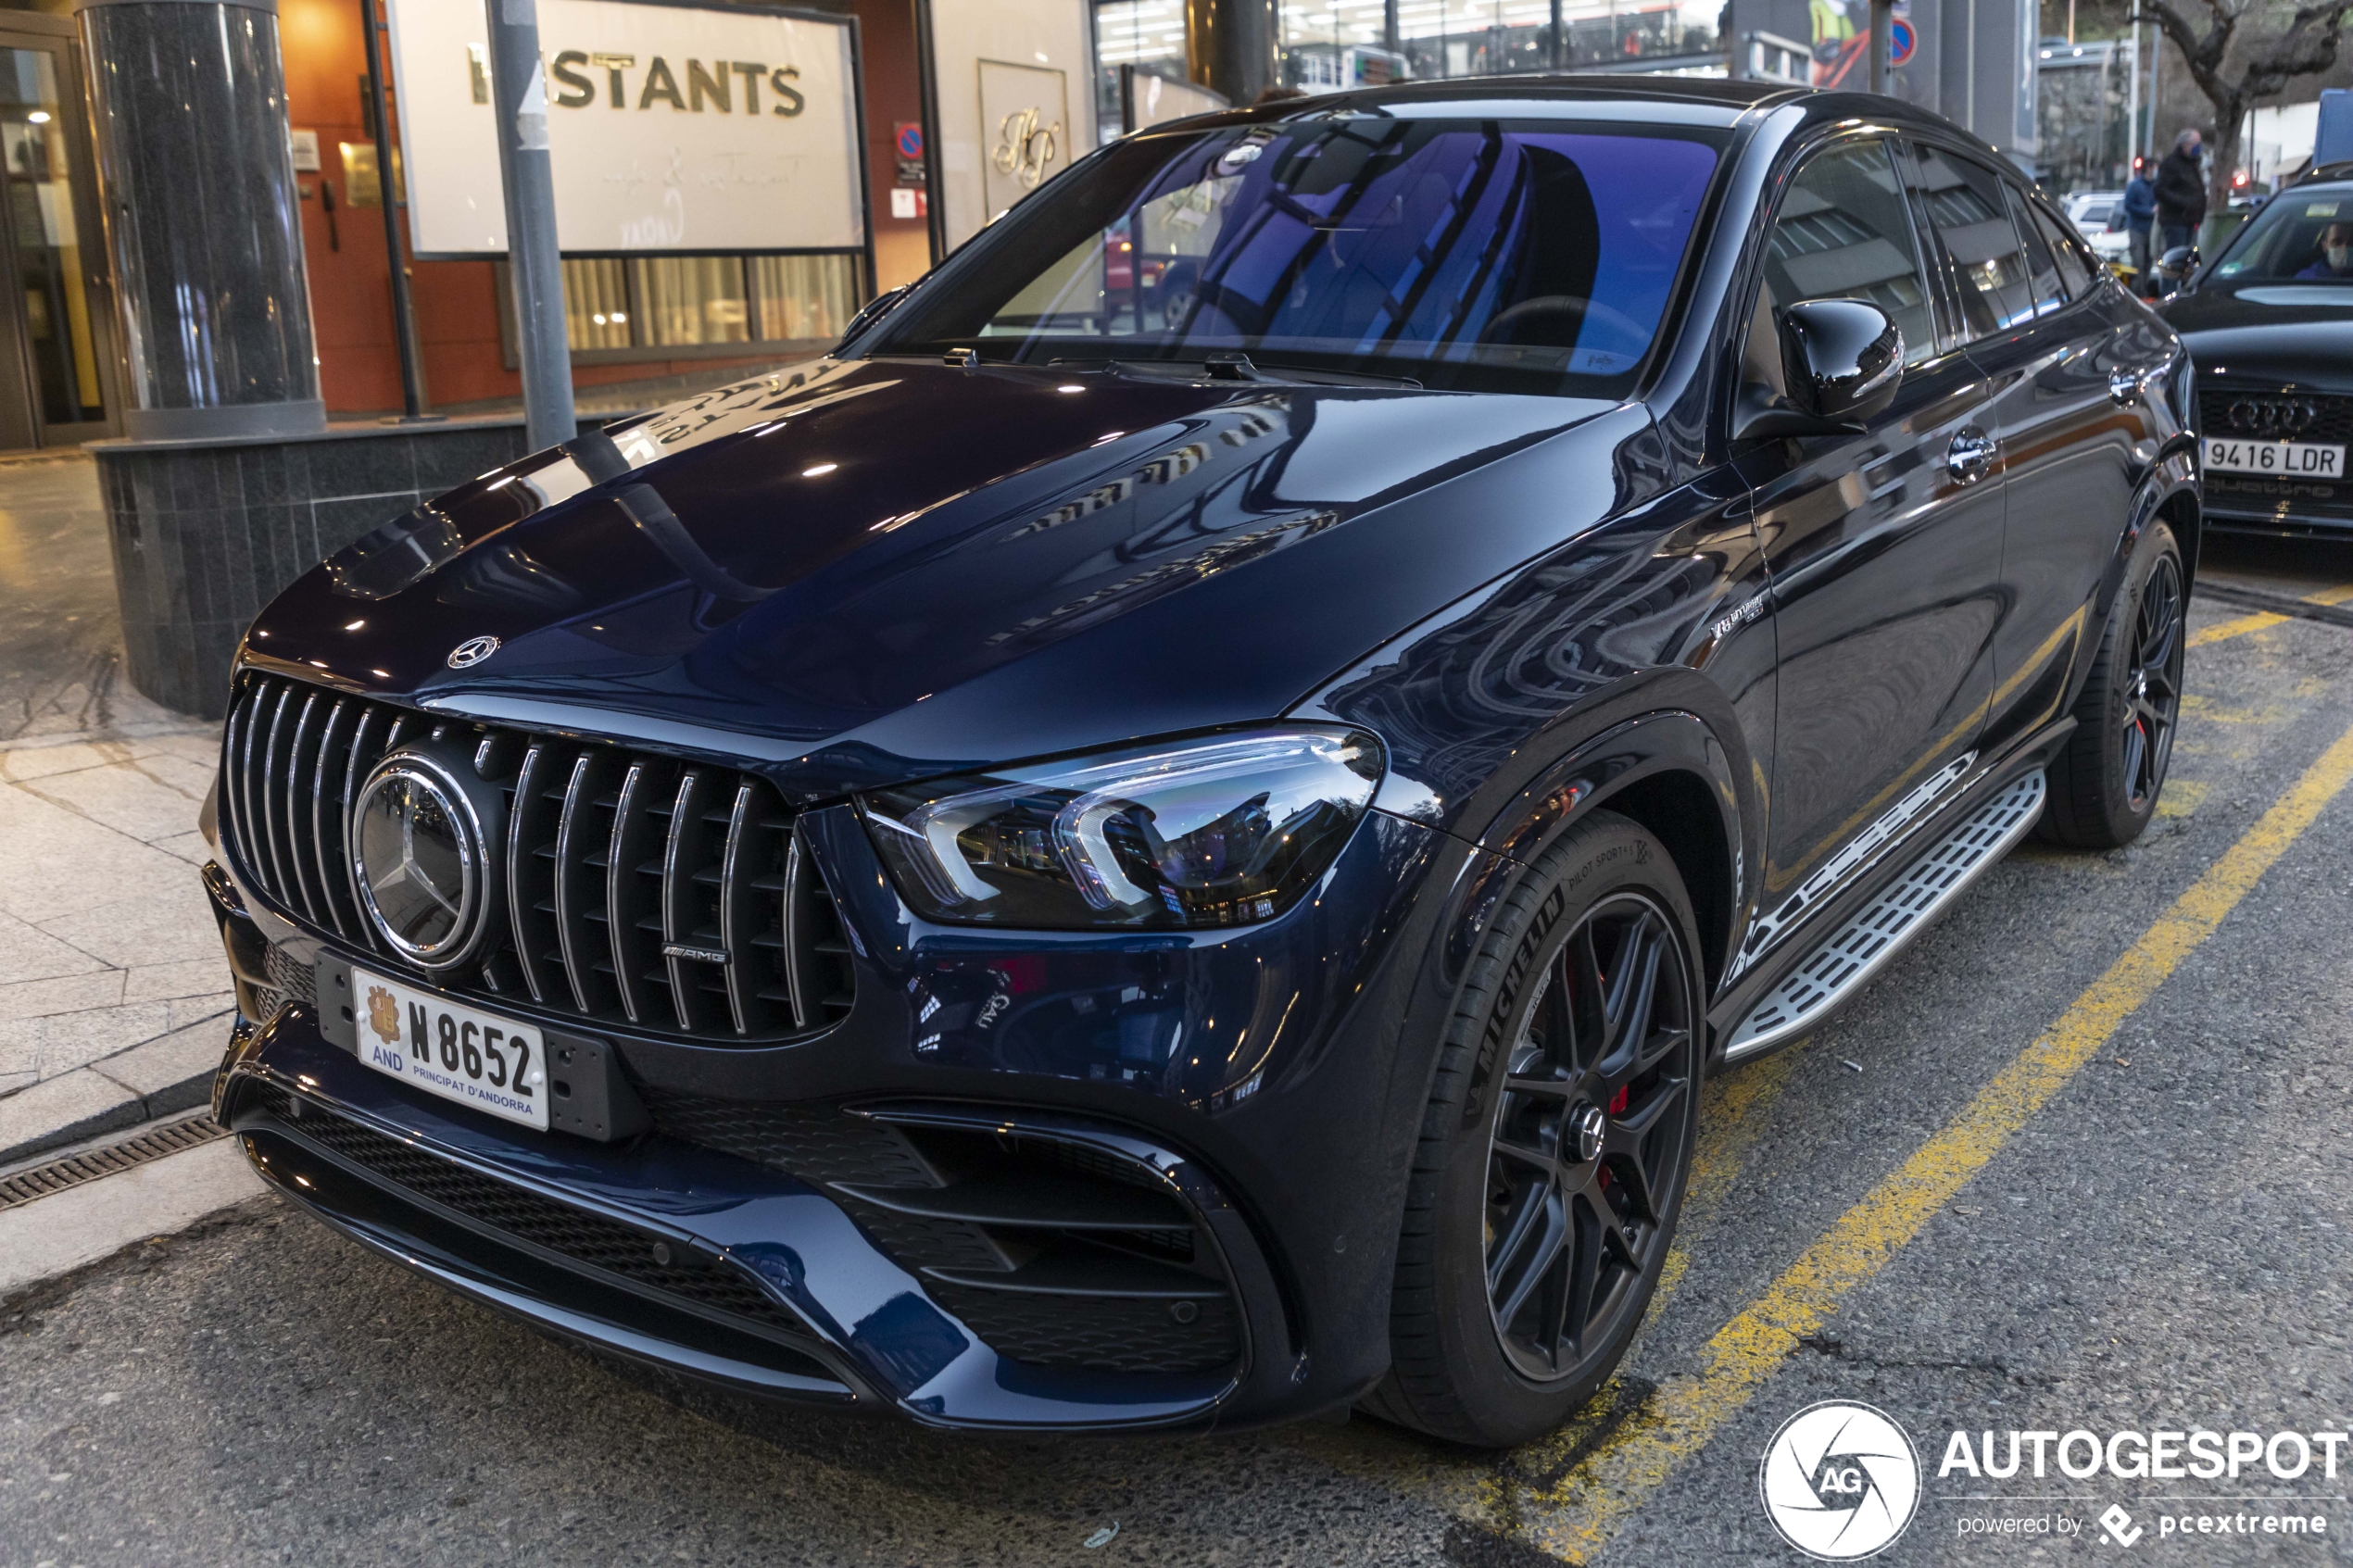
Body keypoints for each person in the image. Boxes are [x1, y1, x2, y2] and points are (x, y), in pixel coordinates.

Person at [2154, 129, 2207, 257]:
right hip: (2176, 221)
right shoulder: (2172, 164)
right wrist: (2184, 204)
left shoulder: (2191, 164)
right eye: (2195, 143)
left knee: (2186, 260)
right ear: (2185, 144)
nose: (2198, 148)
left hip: (2190, 221)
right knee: (2176, 258)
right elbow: (2160, 190)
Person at [2122, 159, 2158, 284]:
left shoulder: (2156, 186)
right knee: (2138, 264)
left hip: (2152, 230)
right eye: (2154, 167)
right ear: (2148, 168)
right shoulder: (2135, 185)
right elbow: (2128, 205)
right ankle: (2137, 292)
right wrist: (2148, 211)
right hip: (2137, 230)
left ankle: (2145, 291)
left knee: (2148, 263)